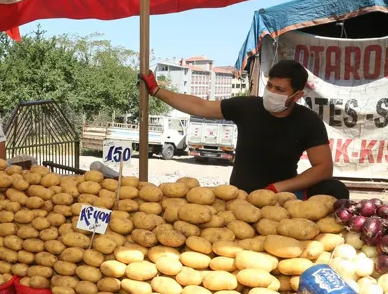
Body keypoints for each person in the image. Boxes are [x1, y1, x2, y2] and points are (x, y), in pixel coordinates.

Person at [140, 59, 349, 200]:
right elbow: (200, 106)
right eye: (270, 86)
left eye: (279, 89)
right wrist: (157, 90)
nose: (271, 92)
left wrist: (277, 188)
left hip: (282, 196)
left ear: (297, 96)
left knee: (335, 189)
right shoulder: (248, 107)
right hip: (240, 195)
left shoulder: (308, 121)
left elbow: (323, 168)